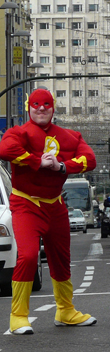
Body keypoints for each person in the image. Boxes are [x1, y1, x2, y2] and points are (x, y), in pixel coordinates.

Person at [1, 89, 98, 335]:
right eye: (36, 104)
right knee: (29, 256)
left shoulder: (69, 136)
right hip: (25, 205)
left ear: (53, 107)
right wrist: (37, 161)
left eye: (46, 104)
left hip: (55, 205)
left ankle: (66, 310)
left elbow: (89, 159)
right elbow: (5, 150)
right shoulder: (18, 133)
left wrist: (62, 165)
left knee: (61, 259)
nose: (41, 109)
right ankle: (18, 316)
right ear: (28, 107)